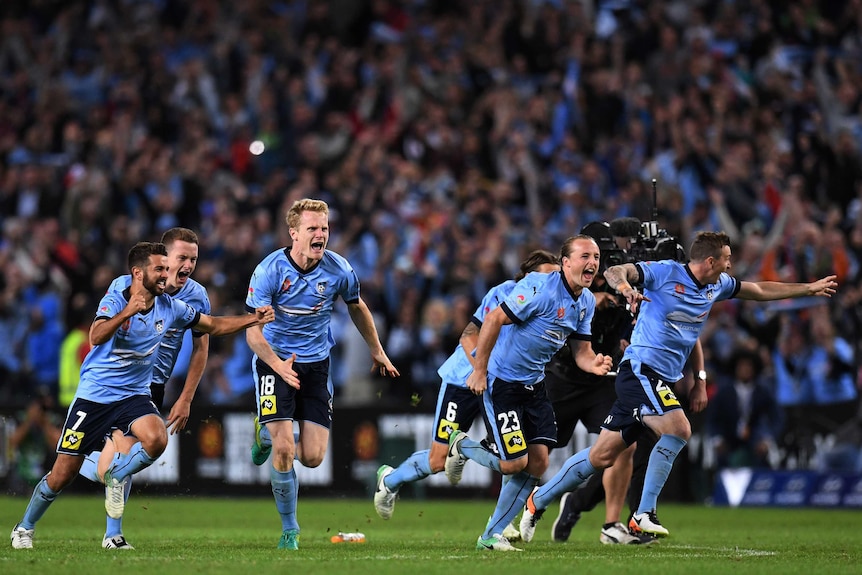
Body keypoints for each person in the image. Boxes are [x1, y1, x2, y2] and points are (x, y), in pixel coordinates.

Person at [518, 231, 837, 542]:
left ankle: (539, 500)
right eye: (726, 260)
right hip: (641, 370)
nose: (730, 266)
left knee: (601, 456)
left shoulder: (717, 286)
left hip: (659, 377)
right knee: (679, 428)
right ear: (710, 261)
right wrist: (626, 287)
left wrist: (807, 289)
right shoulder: (665, 272)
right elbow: (616, 270)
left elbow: (759, 290)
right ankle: (643, 514)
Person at [10, 241, 275, 550]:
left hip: (134, 394)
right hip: (95, 395)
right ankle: (24, 527)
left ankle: (115, 489)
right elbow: (95, 336)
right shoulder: (118, 296)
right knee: (62, 473)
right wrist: (127, 312)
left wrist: (253, 318)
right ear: (138, 273)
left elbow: (213, 325)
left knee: (157, 438)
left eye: (167, 268)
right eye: (159, 269)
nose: (167, 275)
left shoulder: (171, 306)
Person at [244, 198, 399, 551]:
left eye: (324, 228)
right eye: (312, 228)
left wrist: (376, 349)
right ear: (294, 233)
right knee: (285, 449)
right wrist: (277, 364)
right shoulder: (268, 271)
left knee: (312, 457)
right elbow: (253, 330)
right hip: (274, 362)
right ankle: (290, 530)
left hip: (316, 366)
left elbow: (357, 306)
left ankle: (263, 435)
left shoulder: (339, 269)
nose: (320, 234)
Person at [443, 235, 613, 551]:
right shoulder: (540, 287)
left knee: (537, 462)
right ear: (566, 262)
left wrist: (595, 364)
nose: (592, 263)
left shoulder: (586, 301)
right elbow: (494, 318)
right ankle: (462, 446)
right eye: (585, 256)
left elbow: (582, 353)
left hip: (533, 385)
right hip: (501, 383)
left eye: (596, 257)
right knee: (513, 464)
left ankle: (490, 536)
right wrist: (479, 370)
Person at [373, 249, 560, 527]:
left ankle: (502, 522)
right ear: (527, 277)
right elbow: (468, 336)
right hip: (465, 379)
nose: (551, 284)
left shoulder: (554, 305)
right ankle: (390, 480)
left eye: (555, 277)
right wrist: (479, 370)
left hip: (503, 384)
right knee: (438, 461)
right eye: (546, 276)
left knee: (514, 450)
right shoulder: (504, 292)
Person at [549, 220, 705, 545]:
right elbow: (574, 296)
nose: (624, 249)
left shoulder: (653, 273)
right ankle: (560, 503)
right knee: (546, 452)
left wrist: (699, 377)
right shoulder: (595, 272)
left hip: (615, 373)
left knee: (628, 449)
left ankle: (628, 520)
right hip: (568, 375)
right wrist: (604, 296)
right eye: (621, 243)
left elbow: (689, 326)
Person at [77, 227, 211, 549]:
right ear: (163, 258)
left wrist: (186, 397)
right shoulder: (125, 287)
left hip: (156, 384)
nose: (188, 265)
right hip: (122, 382)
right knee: (120, 462)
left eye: (193, 259)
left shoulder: (196, 296)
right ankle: (113, 534)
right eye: (181, 258)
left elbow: (202, 348)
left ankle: (83, 463)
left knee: (113, 466)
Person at [707, 347, 782, 469]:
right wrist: (717, 439)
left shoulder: (763, 391)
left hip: (756, 438)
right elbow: (712, 419)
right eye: (741, 366)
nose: (745, 369)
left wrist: (768, 440)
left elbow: (777, 417)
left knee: (765, 458)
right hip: (729, 437)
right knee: (719, 458)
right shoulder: (724, 391)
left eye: (748, 366)